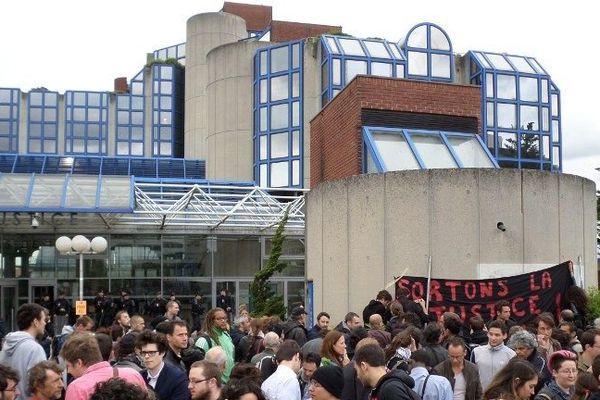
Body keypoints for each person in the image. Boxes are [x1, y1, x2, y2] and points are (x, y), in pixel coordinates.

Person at [60, 332, 146, 400]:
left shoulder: (77, 388)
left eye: (69, 366)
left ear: (79, 362)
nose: (68, 371)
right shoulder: (133, 374)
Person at [0, 303, 48, 400]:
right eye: (43, 320)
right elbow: (39, 385)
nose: (45, 323)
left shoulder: (6, 344)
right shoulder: (35, 349)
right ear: (35, 322)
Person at [136, 330, 189, 400]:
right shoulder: (139, 376)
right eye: (143, 353)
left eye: (151, 353)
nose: (146, 356)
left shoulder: (178, 377)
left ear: (162, 353)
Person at [471, 320, 516, 390]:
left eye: (497, 335)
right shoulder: (476, 352)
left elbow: (512, 379)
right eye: (491, 334)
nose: (493, 338)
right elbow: (472, 377)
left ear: (505, 336)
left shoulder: (511, 355)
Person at [195, 308, 235, 383]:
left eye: (224, 318)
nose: (223, 321)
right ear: (211, 321)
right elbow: (198, 366)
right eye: (218, 319)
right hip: (213, 383)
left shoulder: (227, 336)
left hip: (229, 383)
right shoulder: (204, 340)